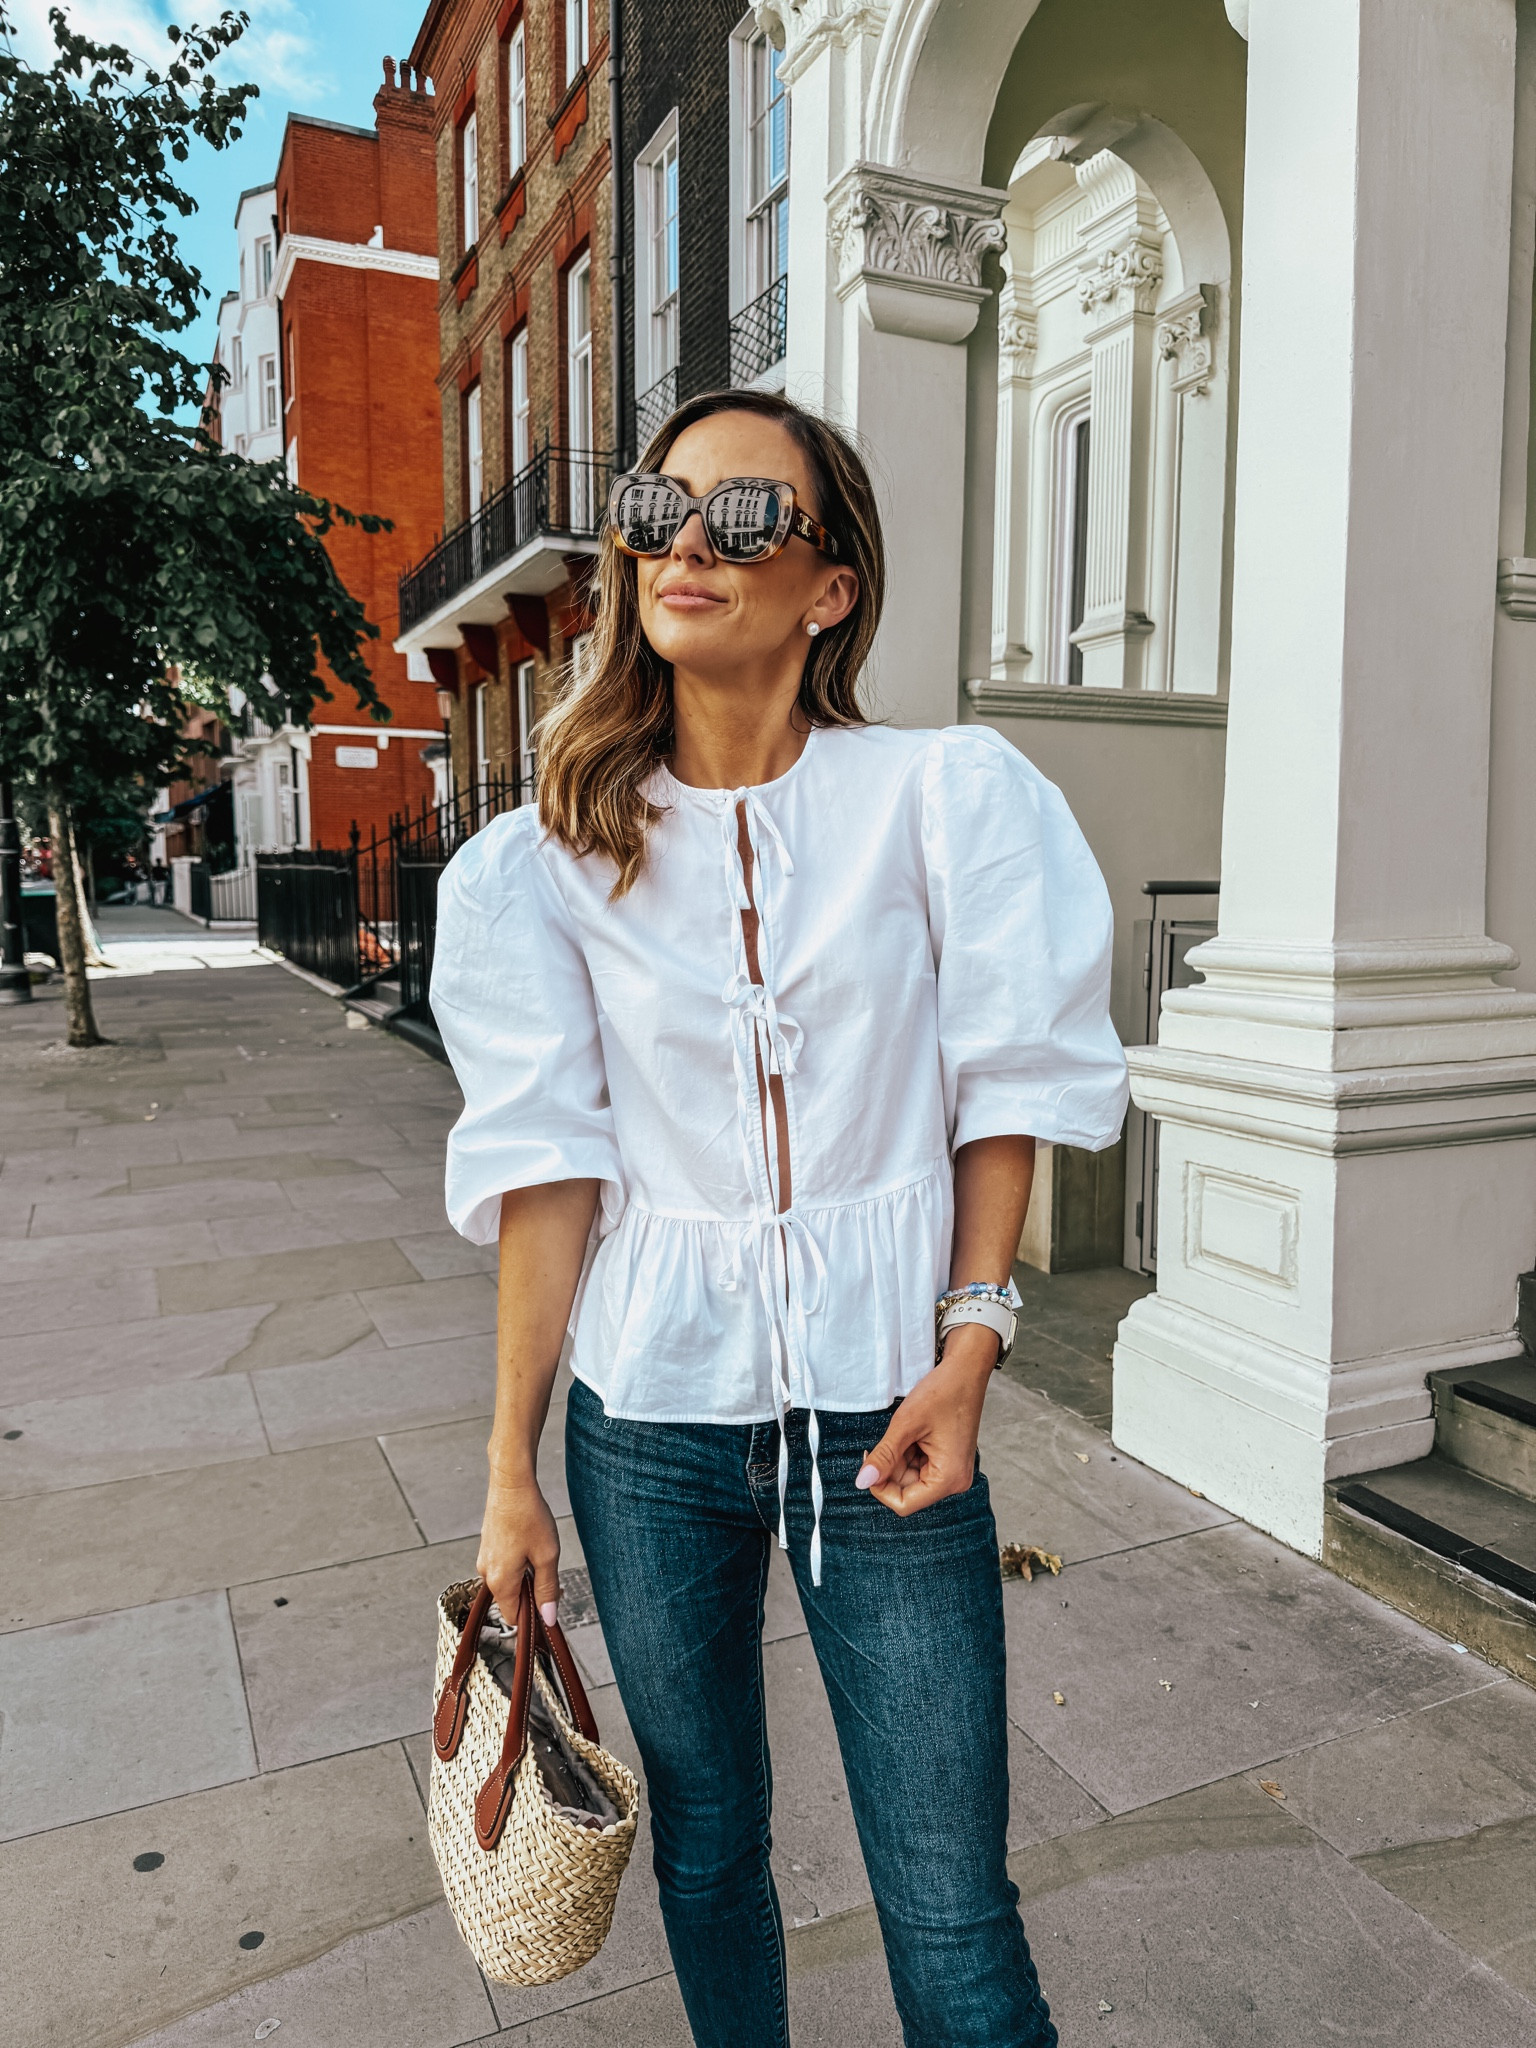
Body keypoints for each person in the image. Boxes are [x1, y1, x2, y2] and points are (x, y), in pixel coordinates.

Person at [431, 390, 1128, 2048]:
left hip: (892, 1425)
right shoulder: (546, 860)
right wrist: (509, 1475)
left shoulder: (946, 799)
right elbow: (550, 1182)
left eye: (745, 518)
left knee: (954, 1906)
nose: (687, 541)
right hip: (647, 1428)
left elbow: (1002, 1093)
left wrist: (973, 1352)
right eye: (659, 507)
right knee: (714, 1858)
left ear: (829, 588)